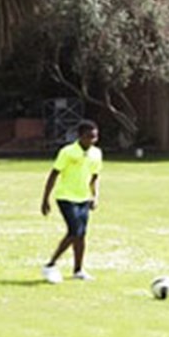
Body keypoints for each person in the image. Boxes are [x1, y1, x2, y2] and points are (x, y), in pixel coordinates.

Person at [40, 120, 103, 284]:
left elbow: (95, 176)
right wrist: (45, 199)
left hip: (83, 198)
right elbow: (54, 174)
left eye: (95, 137)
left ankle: (78, 270)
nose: (93, 140)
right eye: (89, 136)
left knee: (81, 235)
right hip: (66, 197)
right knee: (74, 231)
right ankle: (50, 264)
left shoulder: (96, 153)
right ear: (80, 136)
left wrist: (95, 196)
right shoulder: (67, 152)